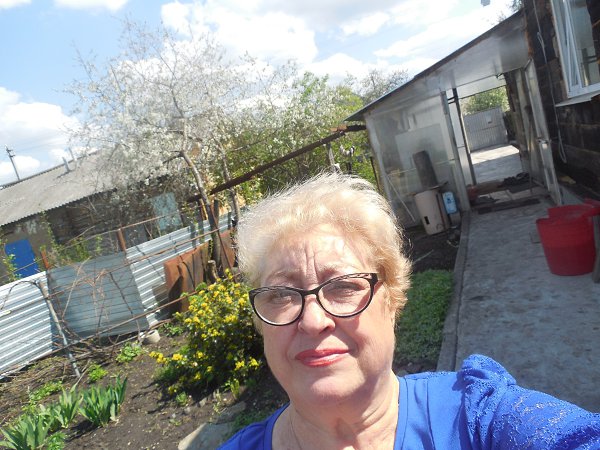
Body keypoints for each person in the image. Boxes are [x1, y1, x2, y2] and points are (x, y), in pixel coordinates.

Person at [219, 172, 600, 449]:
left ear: (391, 301)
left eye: (344, 286)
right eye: (282, 295)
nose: (313, 320)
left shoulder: (476, 420)